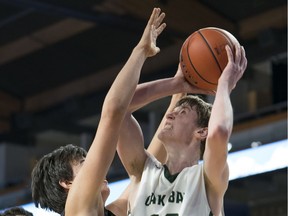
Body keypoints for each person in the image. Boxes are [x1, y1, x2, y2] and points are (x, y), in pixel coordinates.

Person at [31, 7, 167, 216]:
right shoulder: (77, 210)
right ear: (68, 183)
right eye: (85, 164)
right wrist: (141, 50)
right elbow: (113, 111)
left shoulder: (112, 212)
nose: (97, 164)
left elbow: (149, 171)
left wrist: (180, 91)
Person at [116, 42, 247, 215]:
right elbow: (118, 107)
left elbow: (219, 133)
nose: (169, 115)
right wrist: (175, 85)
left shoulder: (207, 178)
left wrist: (224, 84)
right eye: (173, 111)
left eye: (182, 112)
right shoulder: (143, 171)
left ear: (201, 132)